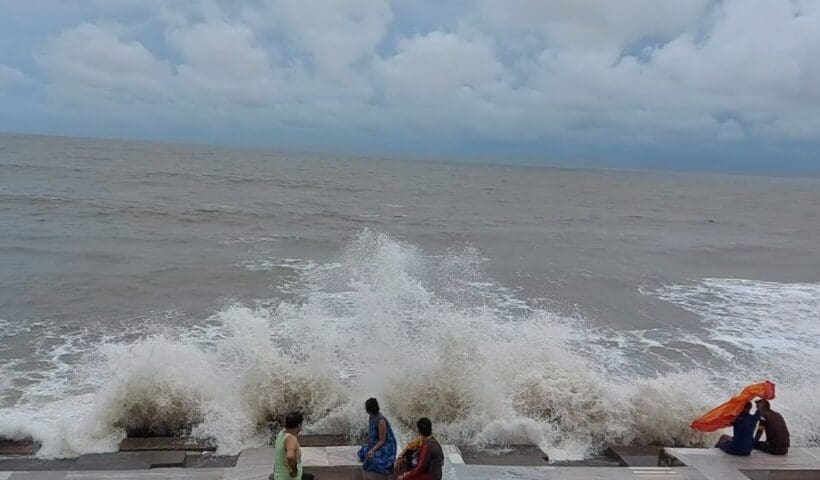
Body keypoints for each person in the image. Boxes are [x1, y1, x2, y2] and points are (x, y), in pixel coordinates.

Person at [357, 398, 397, 479]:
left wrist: (373, 450)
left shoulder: (381, 421)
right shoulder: (371, 417)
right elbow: (372, 434)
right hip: (377, 443)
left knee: (373, 460)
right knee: (362, 453)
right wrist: (370, 446)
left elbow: (382, 440)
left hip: (387, 445)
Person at [271, 411, 315, 480]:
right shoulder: (291, 439)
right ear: (299, 425)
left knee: (309, 476)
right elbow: (290, 456)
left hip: (278, 475)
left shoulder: (281, 433)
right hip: (288, 477)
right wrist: (294, 471)